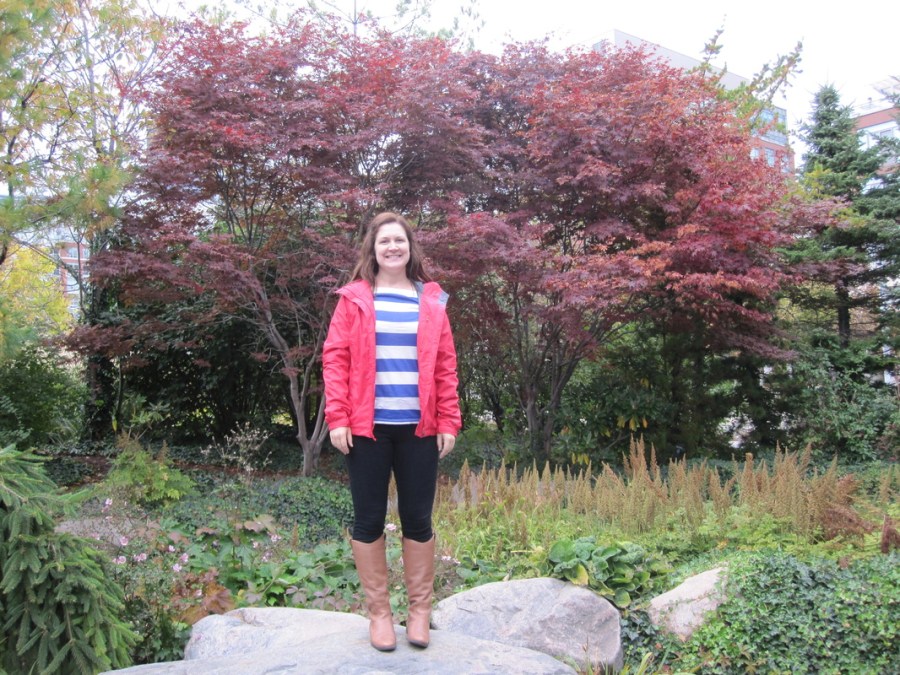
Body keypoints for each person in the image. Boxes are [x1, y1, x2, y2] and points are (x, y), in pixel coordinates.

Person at [322, 211, 462, 651]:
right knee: (368, 520)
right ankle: (380, 615)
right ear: (373, 249)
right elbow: (335, 359)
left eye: (399, 240)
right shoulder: (354, 299)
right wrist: (338, 417)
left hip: (419, 429)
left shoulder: (431, 301)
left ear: (410, 247)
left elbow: (445, 365)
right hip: (367, 430)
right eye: (384, 241)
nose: (392, 247)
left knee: (418, 520)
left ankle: (419, 613)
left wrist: (449, 420)